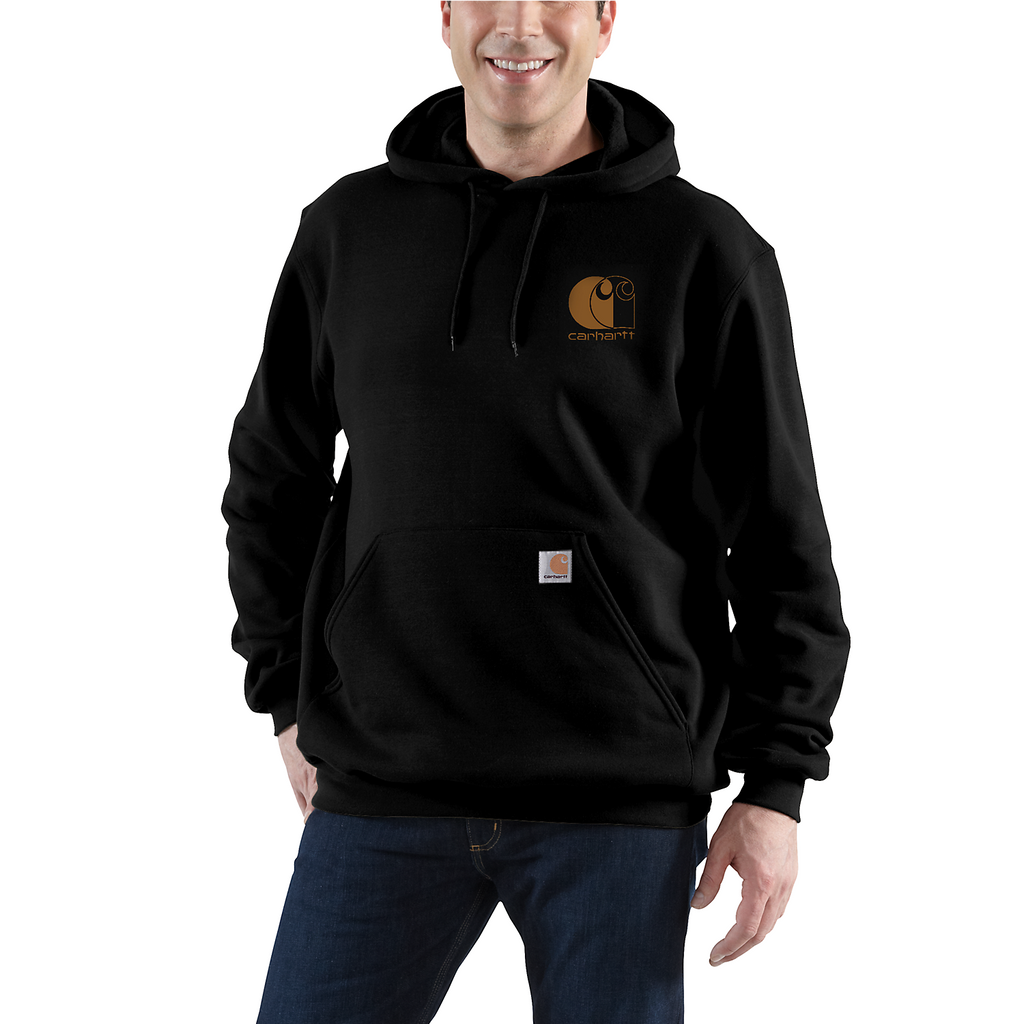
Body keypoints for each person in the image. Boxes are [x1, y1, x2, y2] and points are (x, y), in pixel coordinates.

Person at [221, 1, 851, 1020]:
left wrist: (777, 785)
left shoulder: (701, 249)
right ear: (445, 16)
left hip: (616, 802)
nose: (520, 23)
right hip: (385, 784)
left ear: (605, 18)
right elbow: (271, 479)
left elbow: (781, 539)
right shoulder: (349, 231)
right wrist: (285, 696)